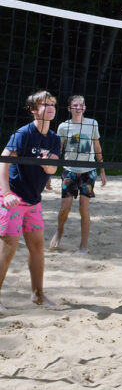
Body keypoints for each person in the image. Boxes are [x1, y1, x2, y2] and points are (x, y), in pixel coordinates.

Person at [0, 91, 61, 311]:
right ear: (34, 110)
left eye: (53, 103)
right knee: (10, 246)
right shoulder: (22, 134)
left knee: (37, 247)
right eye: (45, 104)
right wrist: (6, 193)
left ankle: (37, 294)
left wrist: (47, 166)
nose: (51, 106)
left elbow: (53, 167)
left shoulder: (54, 139)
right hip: (13, 197)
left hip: (33, 200)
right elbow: (3, 162)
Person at [49, 95, 107, 253]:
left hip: (88, 171)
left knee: (84, 208)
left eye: (82, 104)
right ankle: (59, 232)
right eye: (75, 105)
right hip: (69, 171)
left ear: (85, 108)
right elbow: (57, 150)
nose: (79, 107)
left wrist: (102, 170)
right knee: (65, 208)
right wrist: (49, 174)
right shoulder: (63, 127)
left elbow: (97, 146)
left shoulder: (92, 124)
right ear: (69, 108)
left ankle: (83, 246)